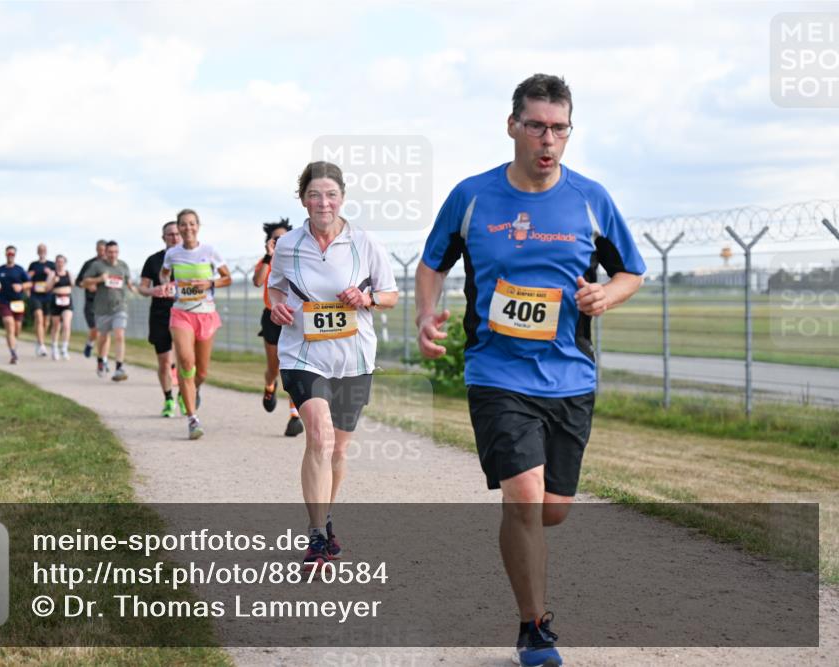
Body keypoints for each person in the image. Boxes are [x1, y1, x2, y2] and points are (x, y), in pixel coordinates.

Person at [415, 74, 646, 667]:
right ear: (513, 125)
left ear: (570, 132)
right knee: (523, 496)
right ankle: (533, 628)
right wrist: (425, 312)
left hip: (570, 377)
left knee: (552, 509)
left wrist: (604, 297)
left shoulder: (591, 198)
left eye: (560, 128)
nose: (549, 139)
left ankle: (528, 559)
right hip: (496, 373)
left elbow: (631, 273)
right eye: (538, 125)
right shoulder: (473, 196)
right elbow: (432, 263)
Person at [268, 161, 398, 570]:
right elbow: (274, 289)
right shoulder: (288, 244)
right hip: (302, 353)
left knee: (339, 450)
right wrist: (275, 307)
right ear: (302, 198)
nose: (323, 202)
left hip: (354, 356)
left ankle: (324, 516)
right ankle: (316, 536)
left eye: (330, 195)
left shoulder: (364, 242)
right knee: (319, 437)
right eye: (314, 194)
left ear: (342, 198)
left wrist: (367, 300)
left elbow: (390, 294)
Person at [159, 209, 232, 439]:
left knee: (201, 371)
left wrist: (208, 283)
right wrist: (167, 285)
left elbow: (227, 278)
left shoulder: (209, 251)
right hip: (181, 314)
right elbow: (164, 274)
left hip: (206, 314)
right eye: (183, 224)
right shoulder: (172, 253)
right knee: (185, 361)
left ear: (197, 226)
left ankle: (191, 389)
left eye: (191, 224)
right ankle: (192, 419)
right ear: (178, 228)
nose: (187, 228)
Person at [253, 218, 304, 437]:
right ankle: (269, 385)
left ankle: (294, 416)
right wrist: (269, 256)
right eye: (276, 238)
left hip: (294, 318)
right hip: (272, 317)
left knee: (291, 367)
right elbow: (257, 281)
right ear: (269, 242)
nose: (280, 241)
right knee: (274, 367)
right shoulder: (267, 261)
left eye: (285, 237)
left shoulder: (299, 260)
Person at [139, 221, 182, 417]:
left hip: (185, 313)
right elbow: (142, 287)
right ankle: (168, 399)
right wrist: (152, 290)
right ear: (163, 238)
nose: (174, 237)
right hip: (160, 314)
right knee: (165, 361)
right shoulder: (154, 260)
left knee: (185, 359)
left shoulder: (190, 259)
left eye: (176, 233)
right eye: (170, 234)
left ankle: (184, 394)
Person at [80, 240, 138, 381]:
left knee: (119, 335)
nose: (113, 255)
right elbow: (84, 282)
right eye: (110, 252)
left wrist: (137, 290)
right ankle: (100, 360)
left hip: (120, 306)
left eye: (115, 252)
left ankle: (119, 367)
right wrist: (99, 279)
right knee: (103, 338)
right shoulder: (97, 266)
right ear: (105, 252)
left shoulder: (123, 266)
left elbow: (129, 283)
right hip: (102, 308)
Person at [0, 246, 32, 364]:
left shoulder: (19, 269)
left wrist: (21, 287)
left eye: (12, 254)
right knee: (9, 325)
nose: (10, 255)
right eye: (8, 253)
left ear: (15, 255)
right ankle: (13, 354)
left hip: (18, 303)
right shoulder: (0, 270)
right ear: (5, 254)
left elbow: (29, 283)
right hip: (5, 302)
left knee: (17, 329)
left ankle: (13, 342)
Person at [76, 240, 108, 359]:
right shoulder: (89, 263)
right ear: (96, 250)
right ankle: (90, 343)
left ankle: (102, 359)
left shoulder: (110, 265)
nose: (102, 252)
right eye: (99, 250)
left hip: (105, 302)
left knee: (103, 332)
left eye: (104, 250)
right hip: (91, 302)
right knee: (95, 329)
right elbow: (78, 282)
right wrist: (88, 285)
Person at [27, 244, 57, 357]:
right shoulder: (33, 265)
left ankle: (39, 340)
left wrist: (50, 273)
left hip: (48, 295)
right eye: (40, 250)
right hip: (36, 295)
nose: (42, 252)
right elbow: (26, 278)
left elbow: (56, 279)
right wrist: (29, 275)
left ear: (46, 251)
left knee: (46, 322)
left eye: (44, 250)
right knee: (38, 318)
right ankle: (42, 345)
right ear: (37, 252)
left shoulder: (51, 265)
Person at [45, 254, 74, 360]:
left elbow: (73, 285)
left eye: (62, 262)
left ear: (65, 263)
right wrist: (53, 281)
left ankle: (64, 348)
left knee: (66, 324)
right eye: (58, 262)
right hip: (56, 300)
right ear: (56, 263)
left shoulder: (69, 273)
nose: (60, 264)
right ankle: (54, 347)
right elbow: (46, 288)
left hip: (67, 300)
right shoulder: (52, 274)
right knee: (56, 326)